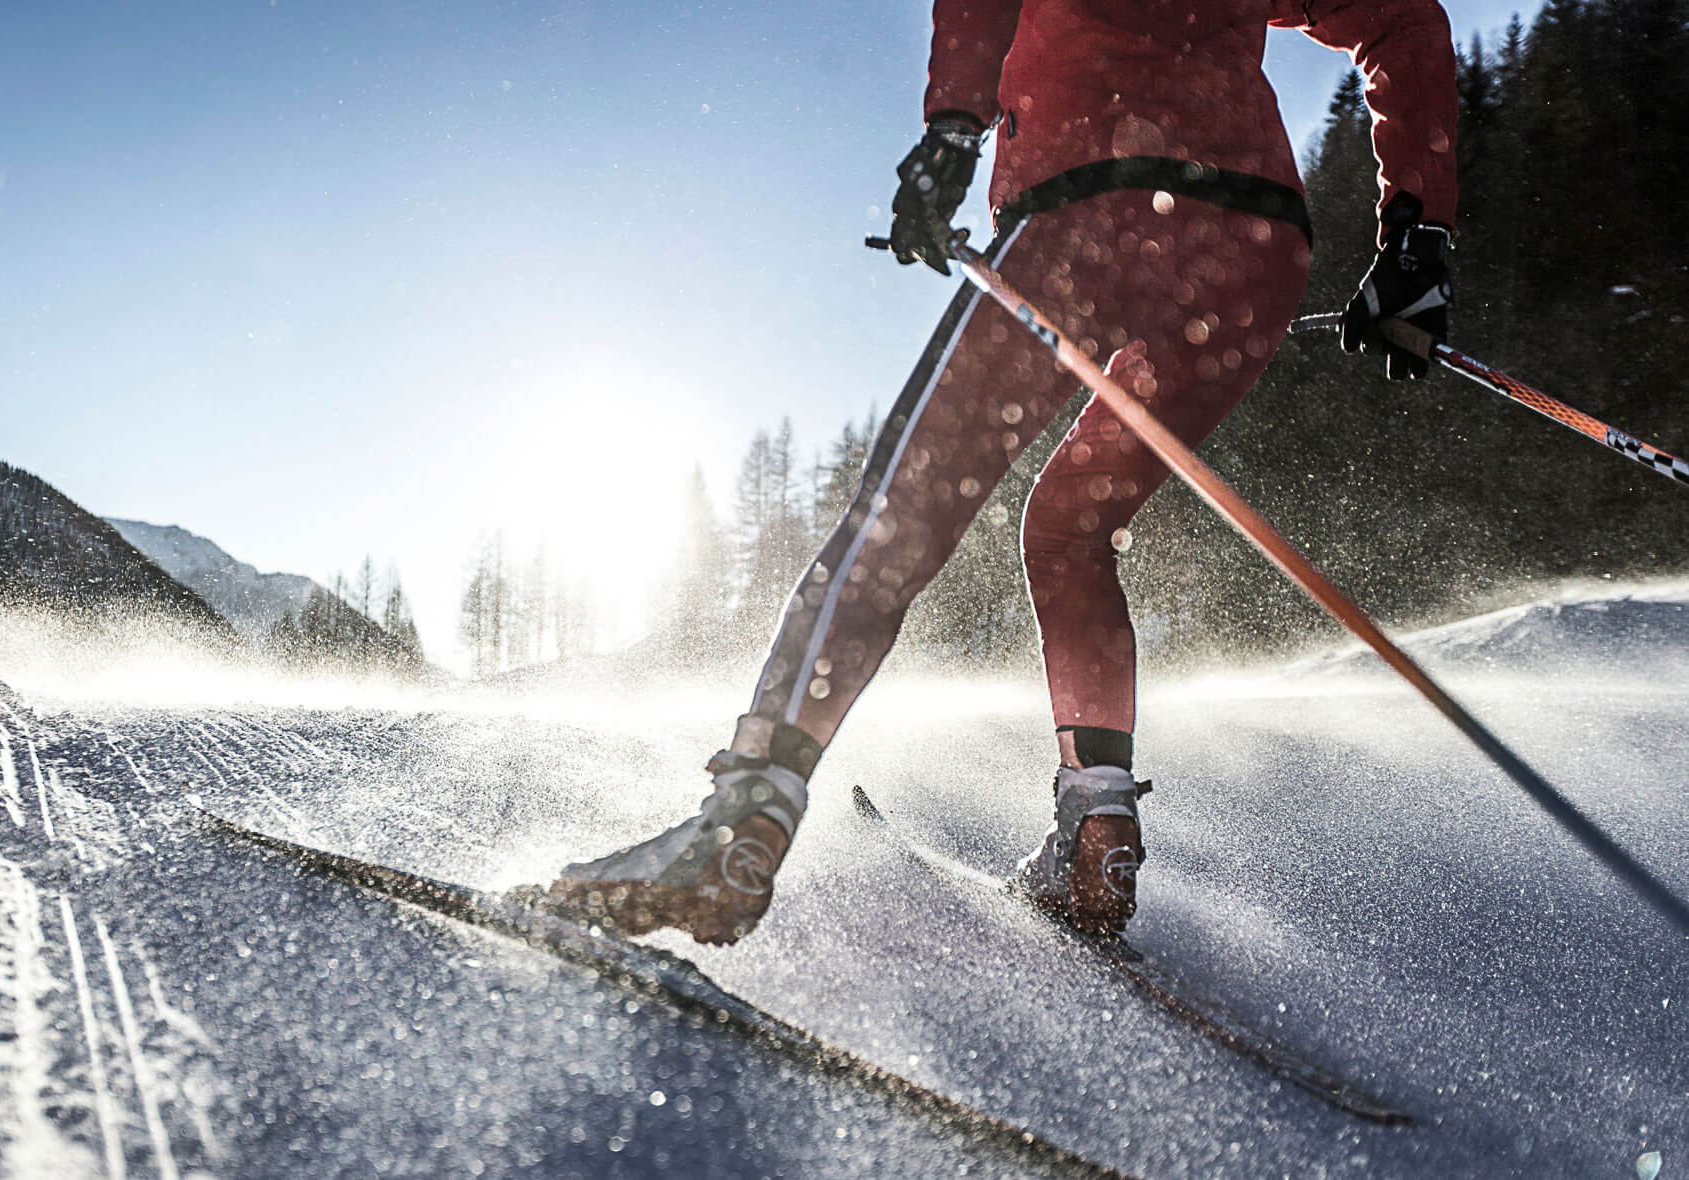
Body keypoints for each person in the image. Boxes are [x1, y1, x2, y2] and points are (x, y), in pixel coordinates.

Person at [546, 0, 1458, 944]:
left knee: (901, 514)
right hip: (1252, 246)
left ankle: (739, 825)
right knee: (1068, 529)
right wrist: (1417, 237)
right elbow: (1401, 18)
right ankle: (1096, 825)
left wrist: (950, 132)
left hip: (1088, 198)